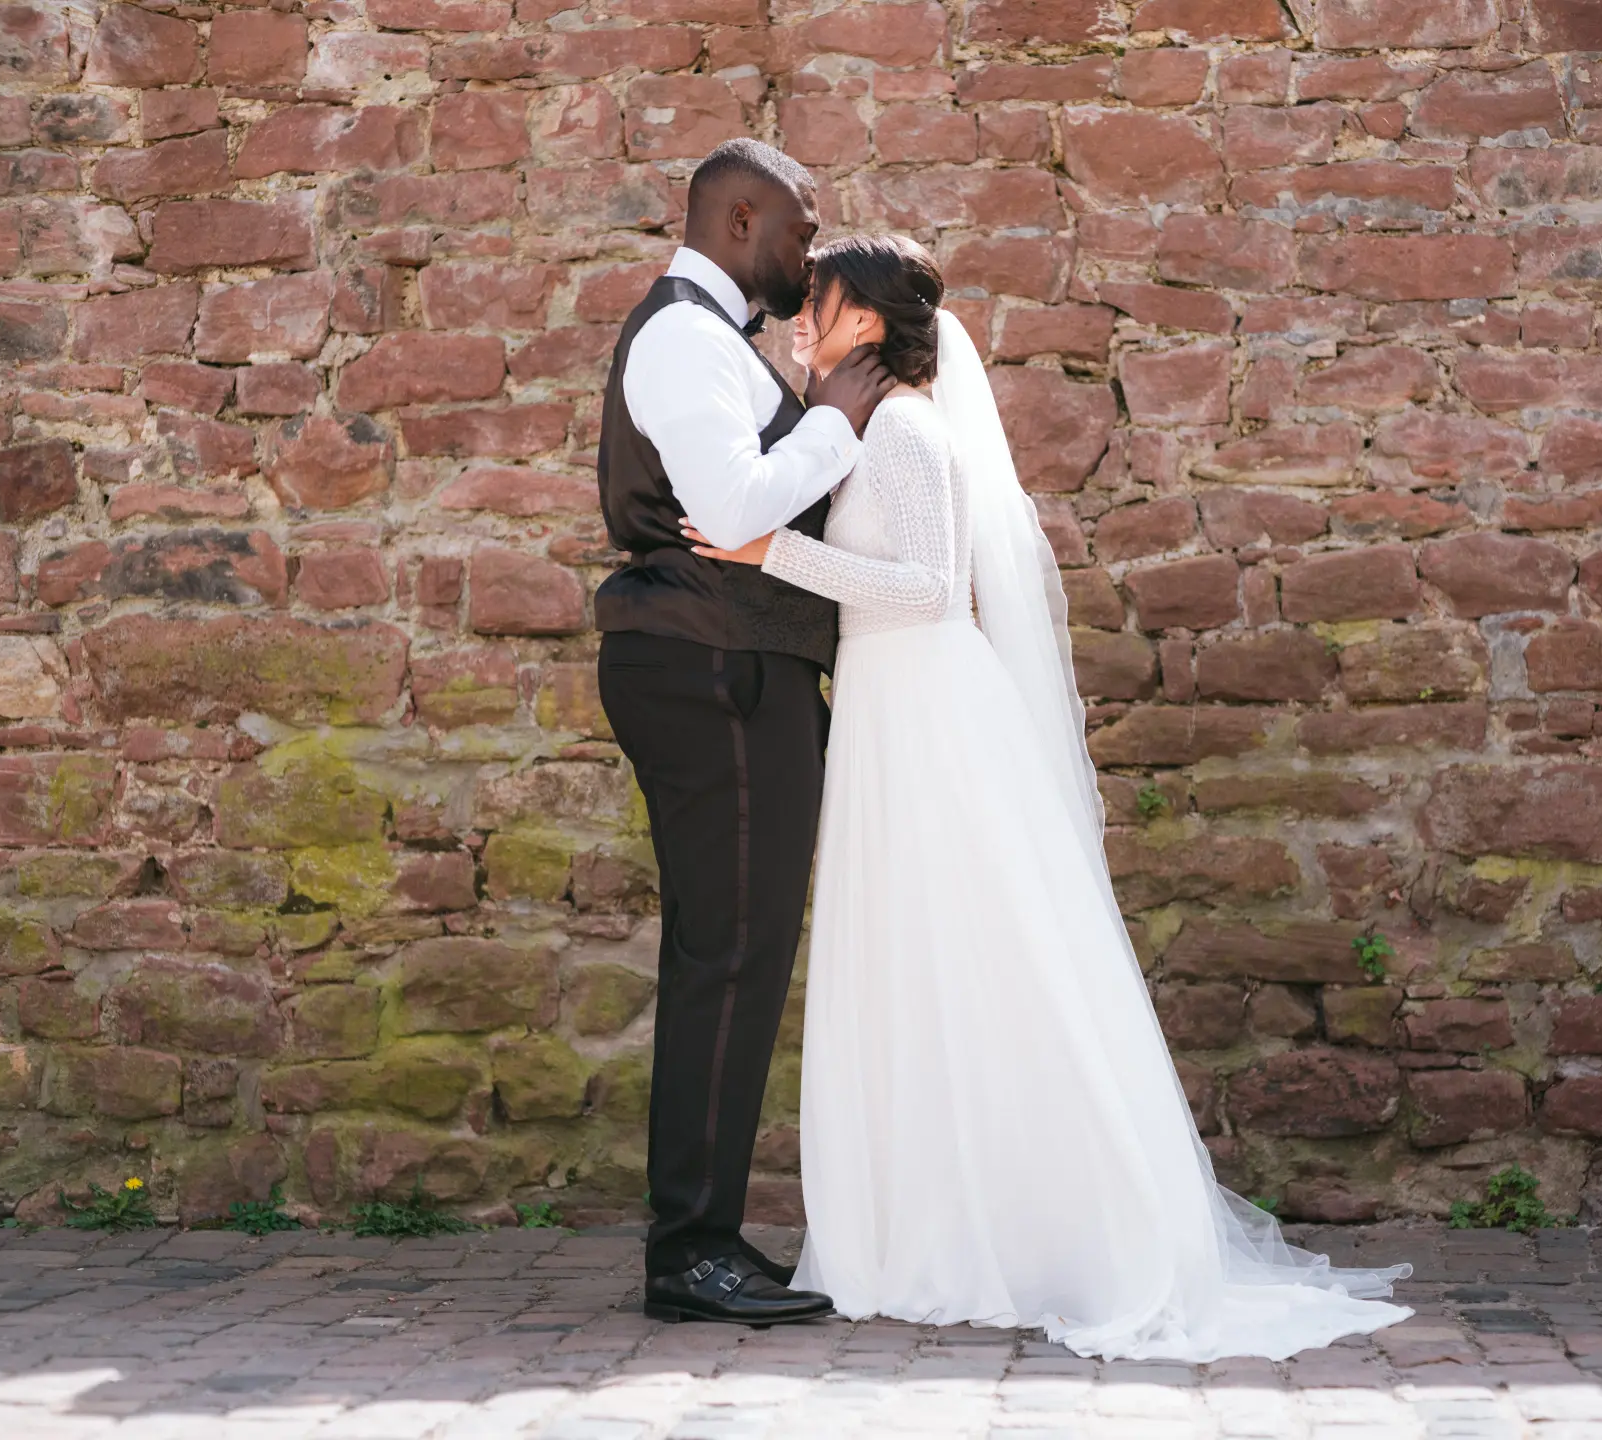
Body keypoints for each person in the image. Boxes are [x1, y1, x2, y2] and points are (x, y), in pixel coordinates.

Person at [682, 234, 1416, 1362]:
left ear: (864, 324)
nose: (800, 319)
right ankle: (913, 1225)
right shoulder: (868, 431)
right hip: (888, 709)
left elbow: (929, 591)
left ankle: (1025, 1234)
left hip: (928, 710)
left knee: (976, 958)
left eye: (817, 305)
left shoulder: (912, 435)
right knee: (904, 967)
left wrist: (767, 550)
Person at [594, 140, 895, 1327]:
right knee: (727, 954)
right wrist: (828, 424)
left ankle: (703, 1238)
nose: (811, 250)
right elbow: (726, 508)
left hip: (734, 665)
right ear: (739, 219)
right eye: (800, 228)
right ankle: (690, 1254)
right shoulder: (679, 333)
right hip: (709, 669)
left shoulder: (712, 338)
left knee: (738, 951)